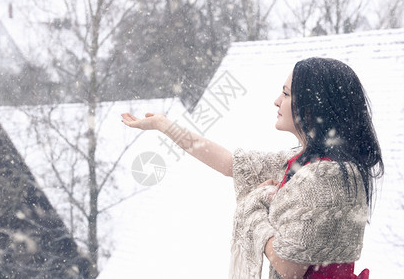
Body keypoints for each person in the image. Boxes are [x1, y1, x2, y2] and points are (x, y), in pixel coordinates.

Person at [121, 57, 383, 279]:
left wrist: (254, 208)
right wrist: (165, 126)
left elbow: (288, 264)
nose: (276, 100)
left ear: (314, 106)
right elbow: (229, 163)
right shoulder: (304, 162)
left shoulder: (328, 177)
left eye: (287, 93)